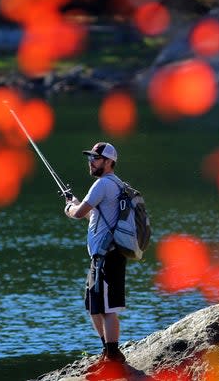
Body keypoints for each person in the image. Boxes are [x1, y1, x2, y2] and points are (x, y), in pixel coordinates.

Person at [64, 141, 127, 363]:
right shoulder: (116, 184)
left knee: (107, 309)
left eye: (96, 158)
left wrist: (69, 208)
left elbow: (79, 214)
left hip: (108, 256)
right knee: (93, 306)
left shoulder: (103, 184)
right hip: (101, 256)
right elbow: (94, 216)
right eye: (90, 157)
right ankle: (107, 351)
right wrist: (76, 203)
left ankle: (113, 355)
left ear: (109, 162)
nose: (91, 162)